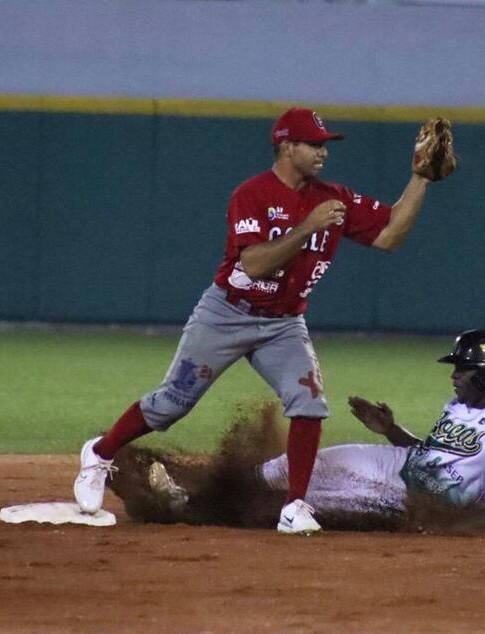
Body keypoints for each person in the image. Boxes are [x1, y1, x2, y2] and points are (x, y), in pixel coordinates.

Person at [74, 107, 455, 534]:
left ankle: (295, 507)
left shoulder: (335, 198)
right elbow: (253, 264)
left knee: (309, 403)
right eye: (313, 144)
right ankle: (100, 453)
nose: (322, 152)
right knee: (171, 403)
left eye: (325, 144)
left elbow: (388, 236)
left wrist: (420, 179)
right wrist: (309, 226)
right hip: (227, 313)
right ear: (286, 146)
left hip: (283, 324)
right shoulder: (252, 194)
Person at [144, 329, 485, 532]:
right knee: (297, 467)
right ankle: (200, 488)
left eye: (462, 369)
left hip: (409, 499)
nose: (454, 375)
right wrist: (391, 430)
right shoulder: (463, 404)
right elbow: (436, 456)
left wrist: (445, 528)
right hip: (399, 462)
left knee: (310, 503)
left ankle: (186, 510)